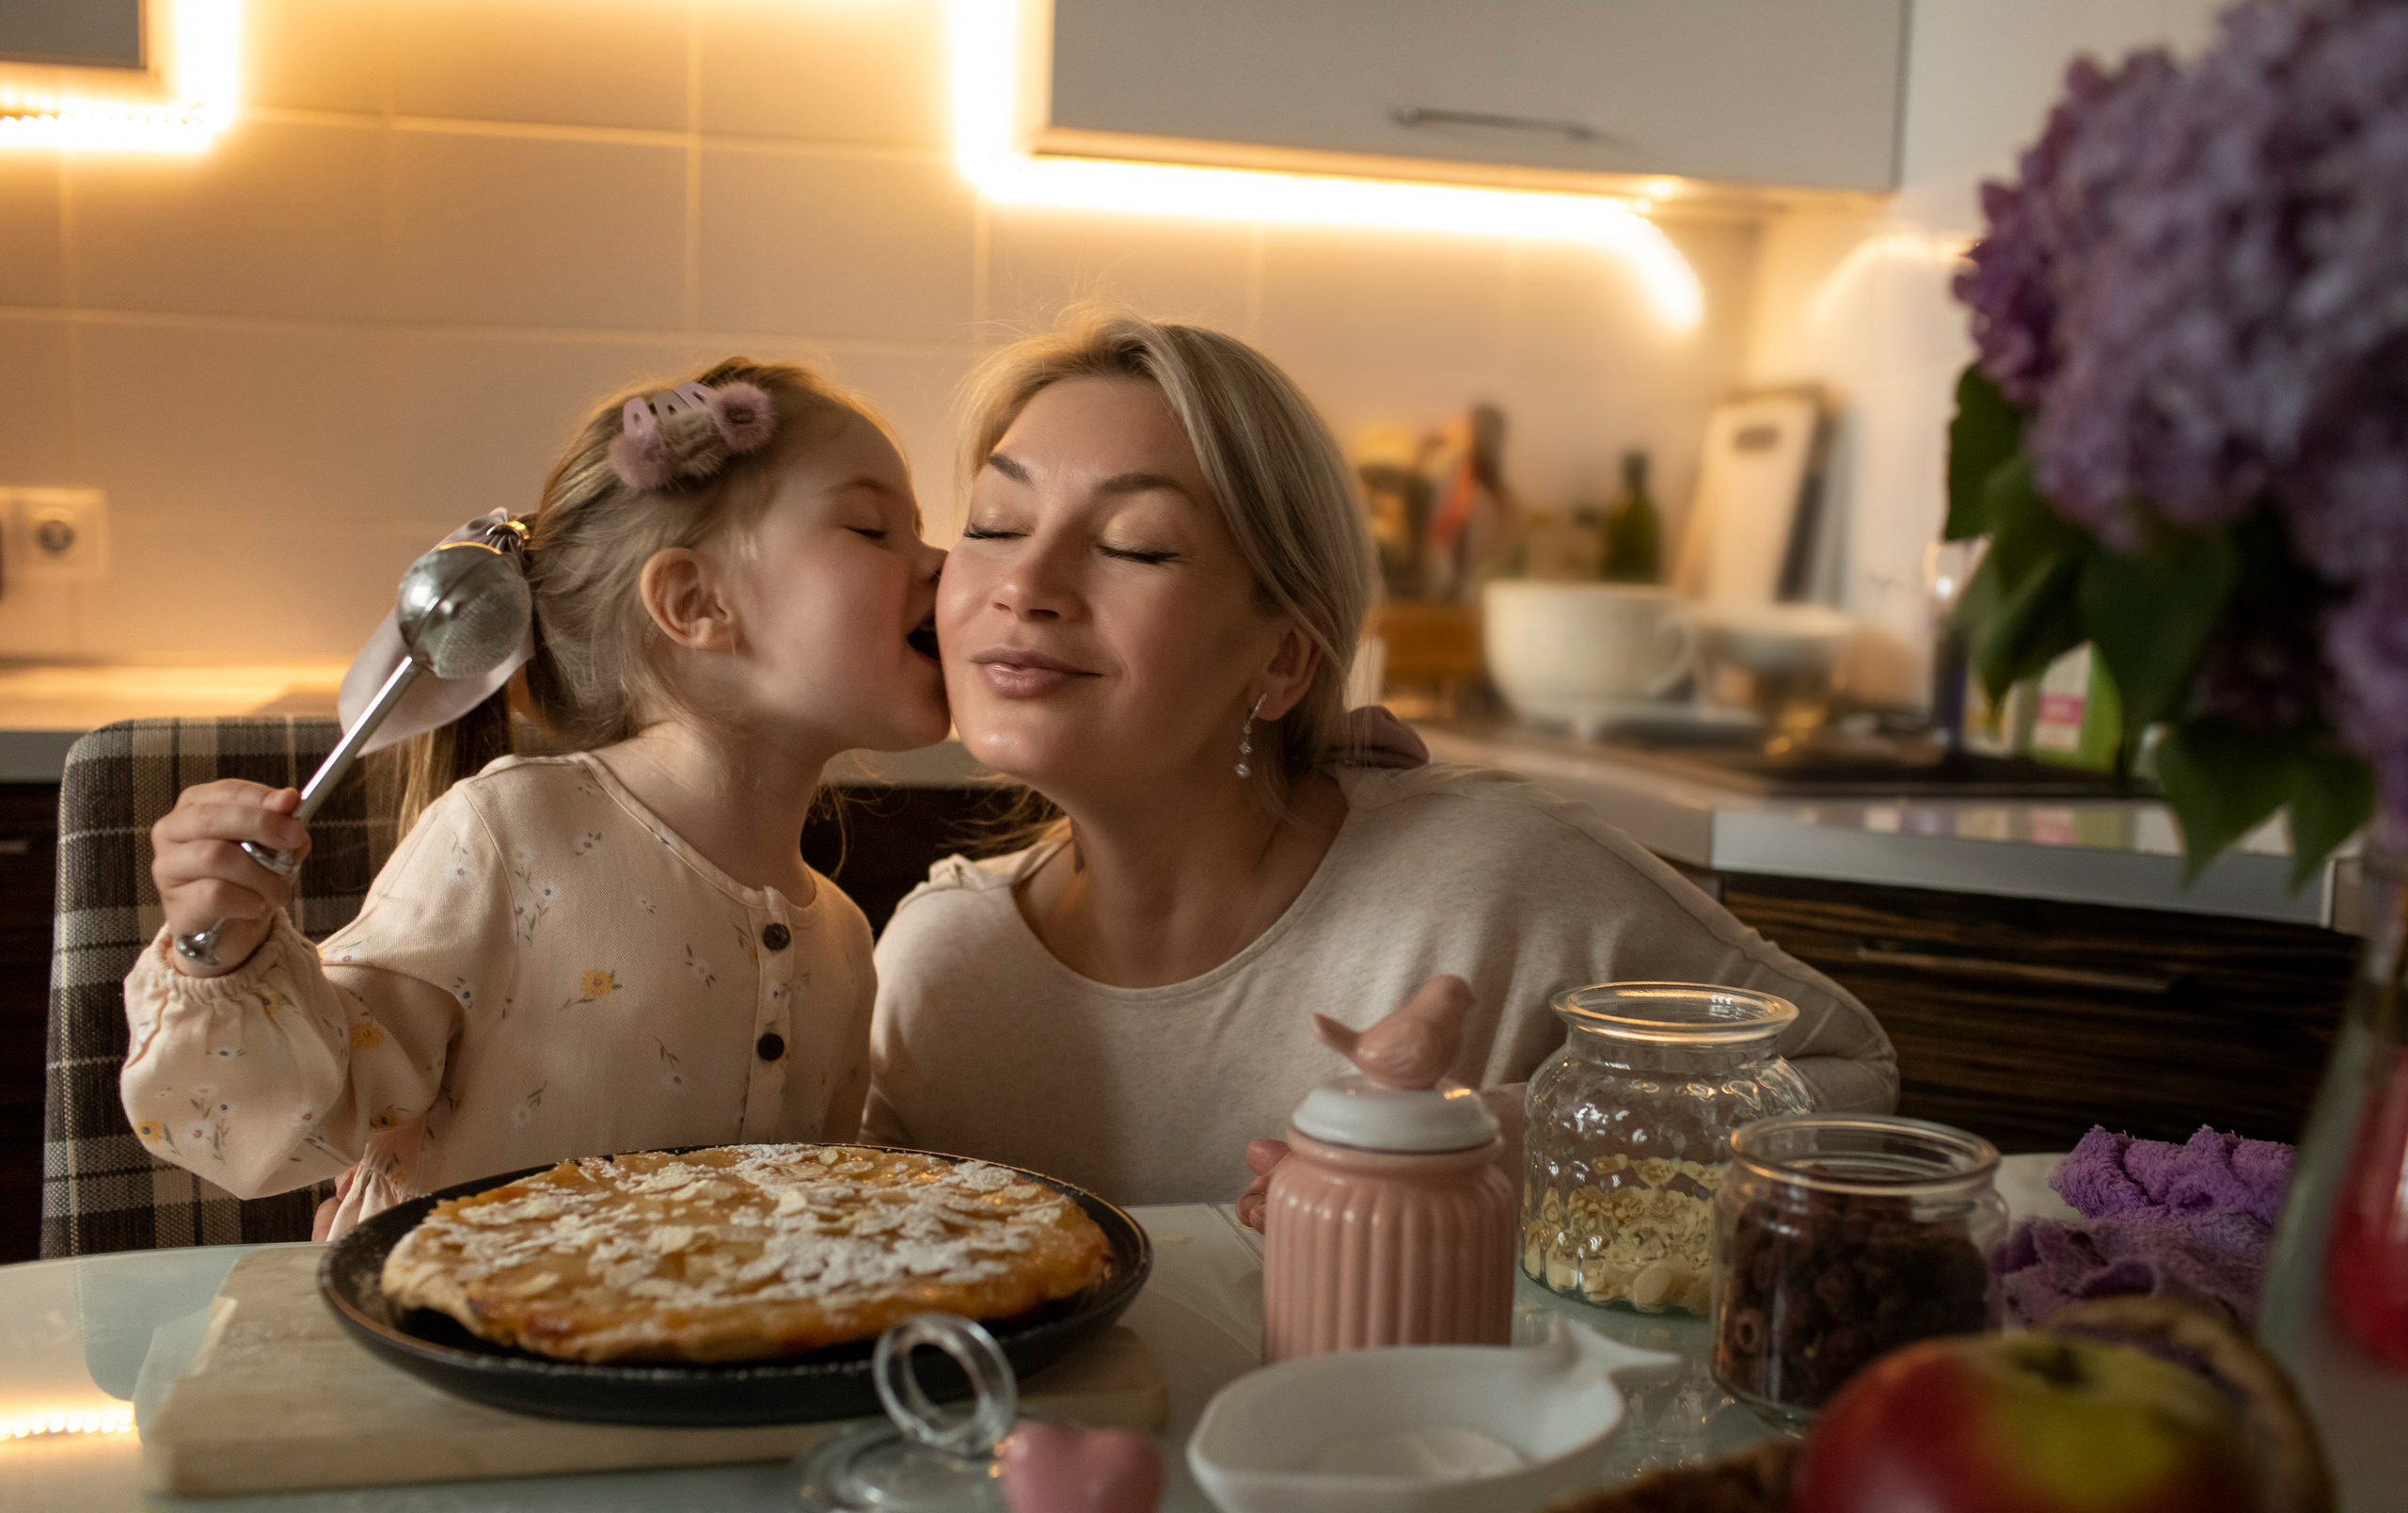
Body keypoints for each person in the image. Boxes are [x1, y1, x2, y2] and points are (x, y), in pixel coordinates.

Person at [865, 311, 1896, 1211]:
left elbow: (1844, 1071)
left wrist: (1510, 1137)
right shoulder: (937, 965)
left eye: (1136, 544)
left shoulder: (1492, 882)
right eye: (994, 526)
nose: (1024, 582)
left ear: (1282, 659)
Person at [122, 358, 948, 1236]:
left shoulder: (846, 939)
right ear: (695, 601)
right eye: (871, 528)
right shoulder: (509, 836)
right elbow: (309, 1123)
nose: (946, 563)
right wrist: (225, 954)